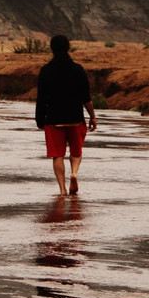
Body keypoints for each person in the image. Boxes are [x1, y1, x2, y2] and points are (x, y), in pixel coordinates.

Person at [35, 34, 97, 195]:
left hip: (53, 119)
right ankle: (74, 173)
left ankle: (62, 189)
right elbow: (86, 98)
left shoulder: (46, 70)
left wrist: (39, 119)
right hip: (75, 118)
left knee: (57, 155)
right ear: (68, 48)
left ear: (52, 49)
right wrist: (93, 117)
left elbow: (41, 98)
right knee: (76, 152)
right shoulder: (77, 70)